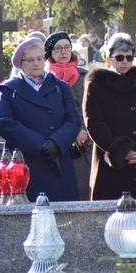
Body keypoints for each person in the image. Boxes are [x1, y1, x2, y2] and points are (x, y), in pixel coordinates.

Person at [0, 37, 81, 202]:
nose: (36, 63)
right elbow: (5, 123)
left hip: (58, 159)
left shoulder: (60, 86)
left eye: (40, 58)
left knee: (64, 216)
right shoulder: (9, 90)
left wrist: (55, 143)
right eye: (30, 60)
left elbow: (73, 120)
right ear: (21, 64)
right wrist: (41, 145)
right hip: (27, 161)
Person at [83, 33, 136, 200]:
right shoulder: (96, 86)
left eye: (129, 57)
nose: (125, 61)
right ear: (109, 59)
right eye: (119, 57)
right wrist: (121, 152)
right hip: (110, 166)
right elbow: (94, 124)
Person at [44, 32, 92, 200]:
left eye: (66, 48)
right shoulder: (45, 79)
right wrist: (74, 131)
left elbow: (92, 107)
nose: (63, 52)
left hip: (89, 138)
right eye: (58, 48)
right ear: (50, 52)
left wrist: (85, 130)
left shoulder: (85, 76)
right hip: (64, 142)